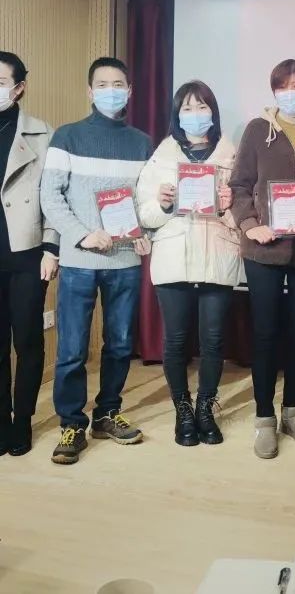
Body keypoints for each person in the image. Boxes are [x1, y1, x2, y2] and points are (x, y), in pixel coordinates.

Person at [41, 57, 153, 465]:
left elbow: (146, 201)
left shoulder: (142, 142)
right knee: (72, 349)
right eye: (102, 84)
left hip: (125, 260)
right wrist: (82, 235)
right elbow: (50, 197)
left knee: (120, 344)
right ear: (90, 91)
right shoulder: (67, 136)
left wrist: (146, 232)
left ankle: (107, 413)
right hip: (79, 260)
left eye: (118, 84)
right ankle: (72, 423)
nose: (111, 91)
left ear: (129, 91)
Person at [230, 59, 295, 459]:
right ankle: (264, 418)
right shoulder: (257, 130)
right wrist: (249, 224)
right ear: (274, 91)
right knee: (265, 333)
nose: (291, 93)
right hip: (264, 250)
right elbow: (239, 185)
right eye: (283, 86)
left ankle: (293, 411)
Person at [136, 81, 240, 447]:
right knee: (176, 340)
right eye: (188, 108)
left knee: (213, 340)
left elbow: (246, 216)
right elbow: (144, 214)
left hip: (218, 255)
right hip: (173, 257)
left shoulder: (232, 156)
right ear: (177, 115)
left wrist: (228, 207)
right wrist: (163, 204)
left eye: (202, 107)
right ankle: (182, 410)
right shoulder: (161, 157)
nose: (195, 115)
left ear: (213, 112)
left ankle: (205, 409)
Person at [0, 51, 59, 458]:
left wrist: (52, 247)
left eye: (1, 81)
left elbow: (53, 197)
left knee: (27, 340)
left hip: (26, 253)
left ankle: (22, 419)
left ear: (19, 87)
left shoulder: (42, 133)